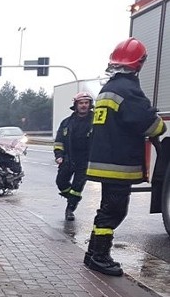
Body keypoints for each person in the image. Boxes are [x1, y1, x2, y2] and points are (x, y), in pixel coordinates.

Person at [84, 38, 166, 276]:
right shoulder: (128, 90)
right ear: (139, 63)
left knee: (107, 209)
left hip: (107, 161)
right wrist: (160, 125)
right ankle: (99, 256)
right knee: (115, 211)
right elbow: (148, 124)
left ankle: (93, 253)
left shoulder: (109, 88)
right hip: (118, 163)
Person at [54, 92, 94, 221]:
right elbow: (59, 141)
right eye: (81, 103)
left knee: (77, 187)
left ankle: (70, 209)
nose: (83, 106)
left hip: (86, 160)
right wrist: (59, 155)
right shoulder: (66, 122)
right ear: (76, 105)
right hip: (68, 158)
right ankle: (73, 198)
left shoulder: (96, 121)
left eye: (86, 103)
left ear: (90, 105)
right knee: (60, 182)